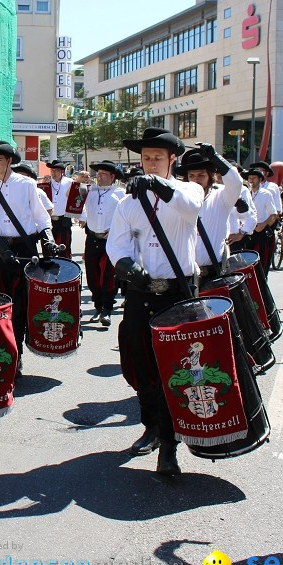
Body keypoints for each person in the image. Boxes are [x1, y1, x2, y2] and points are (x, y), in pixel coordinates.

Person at [106, 127, 203, 476]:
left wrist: (157, 185)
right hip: (141, 292)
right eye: (145, 158)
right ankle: (151, 426)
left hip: (177, 292)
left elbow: (190, 207)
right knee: (140, 363)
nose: (149, 164)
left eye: (157, 159)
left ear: (172, 160)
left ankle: (171, 444)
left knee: (173, 368)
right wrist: (130, 268)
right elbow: (117, 244)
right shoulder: (128, 201)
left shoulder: (188, 188)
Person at [0, 140, 58, 372]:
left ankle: (19, 352)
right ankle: (7, 351)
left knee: (23, 303)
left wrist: (48, 239)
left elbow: (41, 217)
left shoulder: (27, 185)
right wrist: (2, 250)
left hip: (26, 249)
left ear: (9, 161)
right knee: (3, 302)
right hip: (3, 251)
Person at [177, 145, 242, 277]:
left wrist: (215, 157)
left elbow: (236, 182)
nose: (196, 180)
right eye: (191, 175)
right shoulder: (178, 200)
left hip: (215, 270)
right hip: (185, 273)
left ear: (210, 176)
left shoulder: (221, 197)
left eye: (201, 175)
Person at [83, 160, 125, 326]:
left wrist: (115, 231)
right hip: (92, 237)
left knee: (109, 274)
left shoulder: (120, 193)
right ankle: (97, 306)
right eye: (98, 174)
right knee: (92, 274)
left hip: (110, 238)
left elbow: (126, 216)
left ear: (112, 176)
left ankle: (107, 308)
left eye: (102, 174)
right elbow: (72, 199)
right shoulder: (90, 191)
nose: (98, 177)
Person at [245, 165, 278, 274]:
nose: (251, 181)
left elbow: (273, 214)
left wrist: (264, 224)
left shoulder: (266, 194)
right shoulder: (244, 194)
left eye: (254, 178)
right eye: (249, 178)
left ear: (260, 180)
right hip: (246, 230)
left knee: (261, 258)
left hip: (260, 230)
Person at [43, 160, 75, 258]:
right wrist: (43, 184)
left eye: (56, 170)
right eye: (52, 170)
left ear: (62, 171)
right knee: (48, 248)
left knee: (64, 248)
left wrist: (80, 216)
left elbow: (75, 199)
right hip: (49, 219)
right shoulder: (47, 182)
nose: (53, 173)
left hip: (63, 219)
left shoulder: (69, 182)